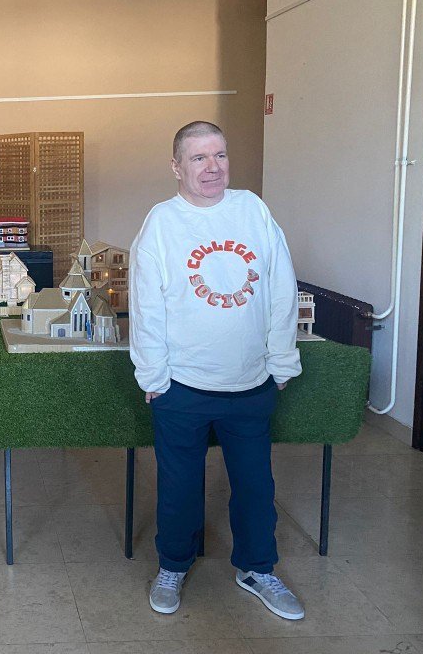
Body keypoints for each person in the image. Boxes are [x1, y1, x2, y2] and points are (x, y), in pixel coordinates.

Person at [129, 120, 305, 620]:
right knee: (179, 487)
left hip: (250, 384)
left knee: (255, 487)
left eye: (220, 155)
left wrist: (281, 361)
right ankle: (173, 566)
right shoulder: (162, 223)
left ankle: (257, 568)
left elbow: (281, 288)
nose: (212, 167)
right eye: (199, 158)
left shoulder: (252, 210)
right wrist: (153, 376)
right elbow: (146, 305)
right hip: (182, 386)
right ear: (176, 167)